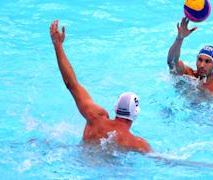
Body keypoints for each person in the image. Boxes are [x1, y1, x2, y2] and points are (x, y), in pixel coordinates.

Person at [50, 20, 152, 154]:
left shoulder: (95, 117)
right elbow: (163, 161)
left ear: (115, 107)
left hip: (79, 161)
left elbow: (72, 84)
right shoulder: (138, 144)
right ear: (136, 113)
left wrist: (58, 46)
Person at [167, 17, 213, 103]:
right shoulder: (188, 74)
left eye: (207, 61)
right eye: (200, 60)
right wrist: (179, 38)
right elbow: (172, 62)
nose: (202, 65)